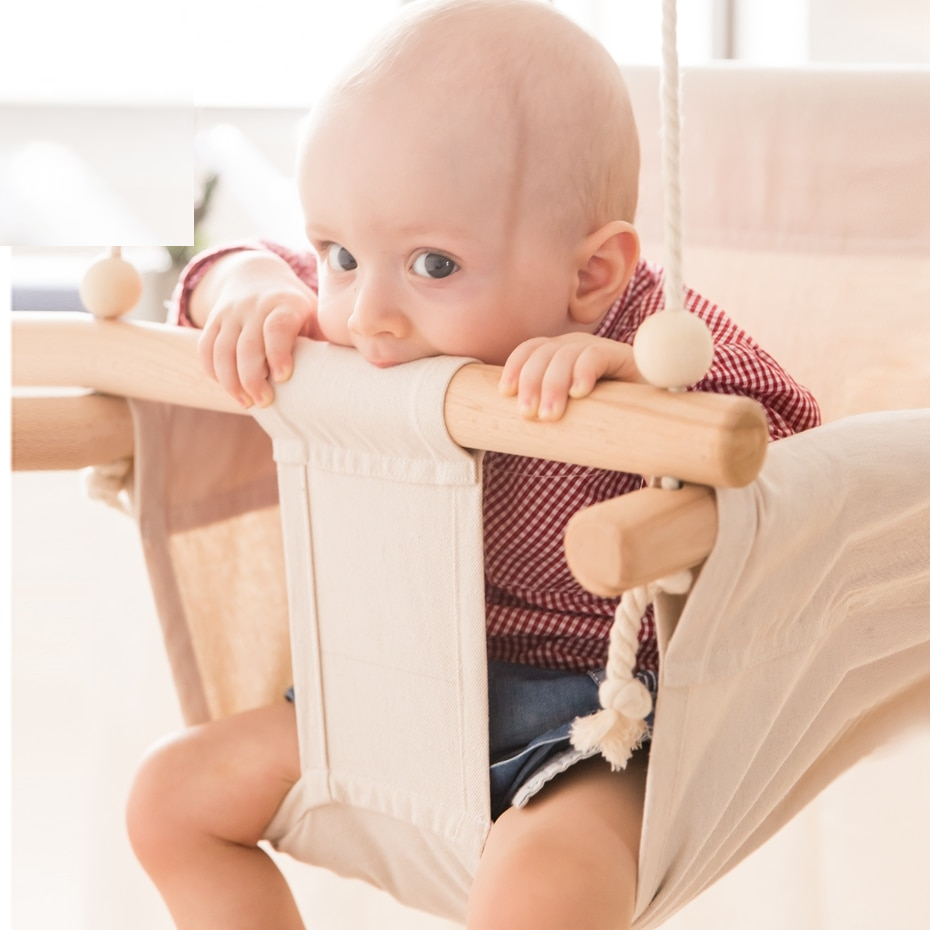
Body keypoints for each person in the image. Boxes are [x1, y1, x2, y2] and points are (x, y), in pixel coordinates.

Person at [125, 2, 821, 928]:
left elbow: (789, 435)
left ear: (589, 275)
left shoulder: (644, 326)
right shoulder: (362, 302)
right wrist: (252, 287)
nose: (367, 313)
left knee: (542, 890)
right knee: (171, 800)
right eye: (337, 253)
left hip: (597, 717)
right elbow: (231, 267)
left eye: (435, 265)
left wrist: (637, 380)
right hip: (395, 681)